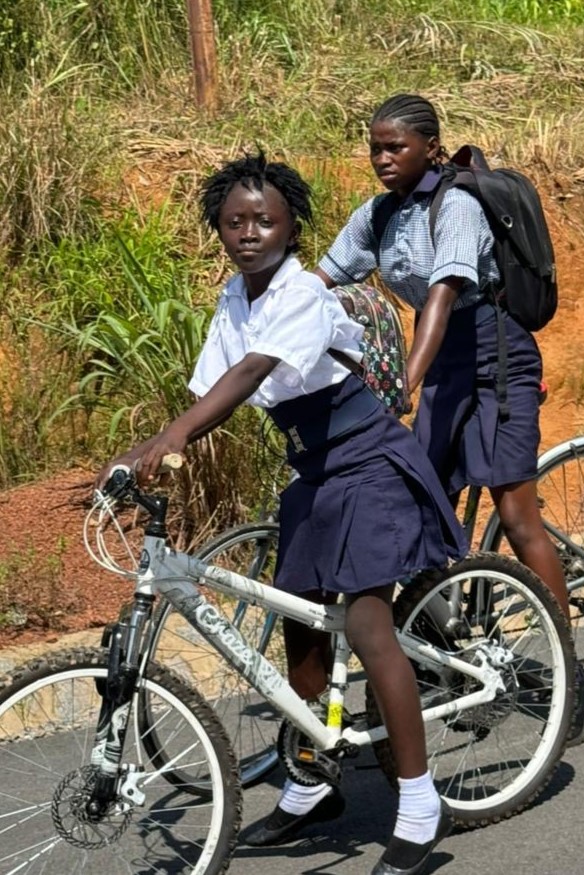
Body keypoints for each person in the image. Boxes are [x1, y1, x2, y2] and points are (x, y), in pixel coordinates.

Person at [96, 151, 468, 875]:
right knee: (298, 621)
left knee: (365, 624)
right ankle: (310, 783)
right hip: (313, 473)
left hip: (366, 462)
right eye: (233, 221)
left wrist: (174, 435)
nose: (248, 232)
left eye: (264, 219)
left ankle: (419, 805)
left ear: (292, 224)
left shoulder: (300, 293)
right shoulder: (235, 299)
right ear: (218, 229)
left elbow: (248, 375)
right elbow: (208, 386)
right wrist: (140, 450)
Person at [314, 92, 584, 746]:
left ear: (430, 148)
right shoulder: (379, 214)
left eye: (395, 147)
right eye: (374, 148)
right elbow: (322, 279)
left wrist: (402, 384)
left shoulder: (460, 205)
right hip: (440, 363)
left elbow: (440, 299)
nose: (382, 159)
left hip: (493, 355)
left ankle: (569, 671)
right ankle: (438, 652)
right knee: (421, 503)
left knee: (514, 508)